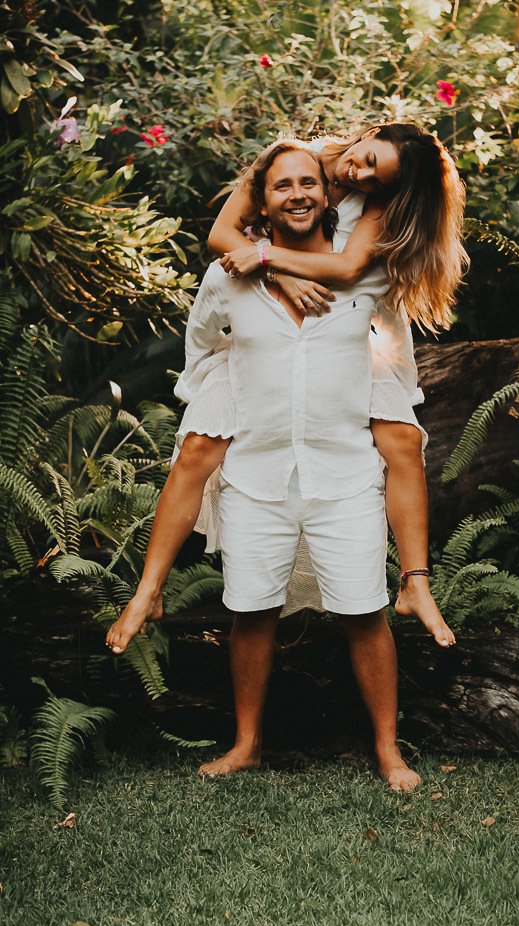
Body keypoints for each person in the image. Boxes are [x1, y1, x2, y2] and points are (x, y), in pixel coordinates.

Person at [106, 123, 466, 654]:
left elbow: (347, 268)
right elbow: (222, 238)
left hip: (340, 336)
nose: (358, 173)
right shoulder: (297, 161)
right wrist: (278, 274)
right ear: (365, 134)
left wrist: (273, 260)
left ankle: (416, 582)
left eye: (375, 176)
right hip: (260, 334)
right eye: (365, 157)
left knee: (404, 441)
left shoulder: (374, 205)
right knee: (197, 448)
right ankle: (148, 589)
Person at [187, 143, 419, 788]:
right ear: (264, 198)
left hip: (343, 471)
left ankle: (388, 751)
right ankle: (247, 744)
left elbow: (394, 354)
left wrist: (379, 401)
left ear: (327, 191)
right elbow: (205, 344)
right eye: (283, 186)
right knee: (252, 609)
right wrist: (268, 271)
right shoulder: (233, 269)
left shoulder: (365, 260)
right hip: (257, 473)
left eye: (308, 184)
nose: (299, 193)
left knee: (365, 609)